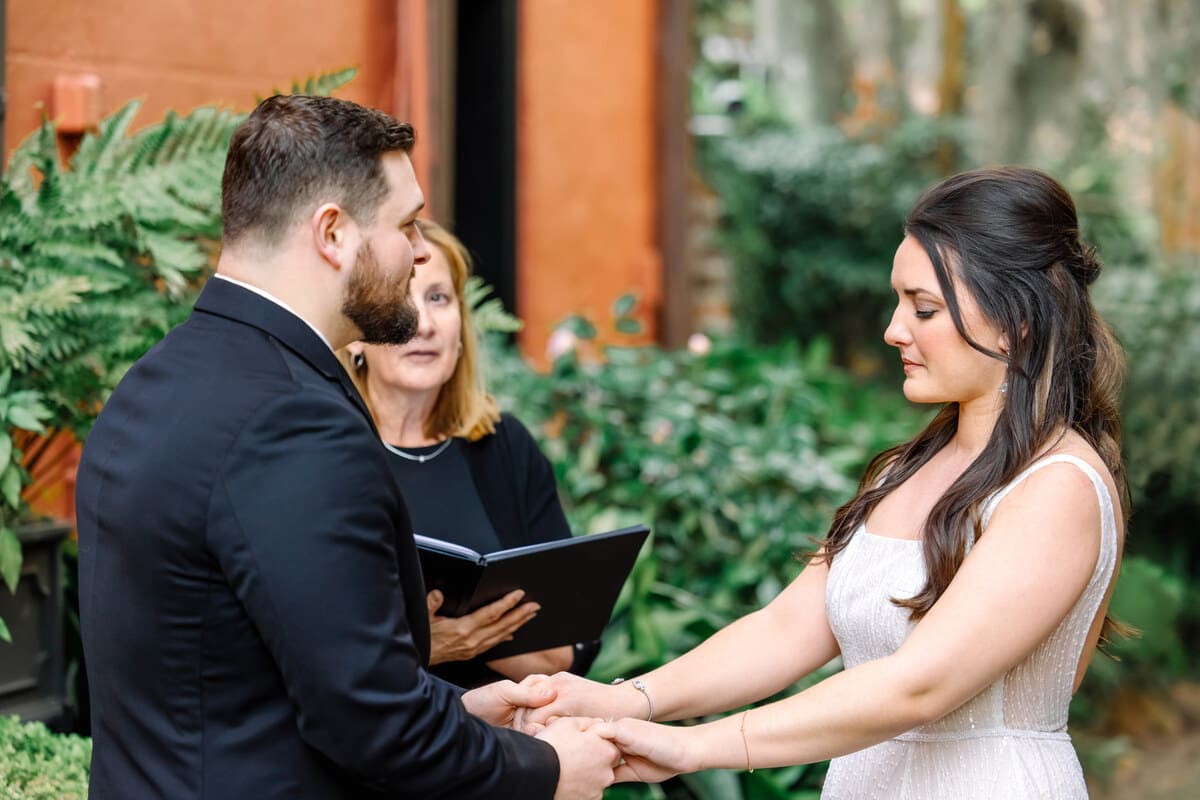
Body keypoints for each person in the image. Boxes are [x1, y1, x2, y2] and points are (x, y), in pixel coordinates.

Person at [73, 94, 619, 800]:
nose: (421, 251)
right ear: (332, 233)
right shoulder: (295, 421)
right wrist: (545, 770)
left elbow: (246, 684)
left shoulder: (156, 380)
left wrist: (459, 712)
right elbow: (368, 722)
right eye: (407, 224)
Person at [525, 166, 1128, 799]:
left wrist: (694, 746)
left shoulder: (1058, 487)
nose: (894, 330)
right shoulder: (907, 469)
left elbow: (919, 685)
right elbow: (786, 628)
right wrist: (628, 701)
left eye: (923, 307)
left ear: (1017, 320)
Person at [337, 219, 599, 690]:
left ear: (461, 327)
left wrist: (454, 639)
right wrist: (431, 643)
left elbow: (563, 655)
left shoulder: (505, 447)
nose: (424, 323)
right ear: (354, 333)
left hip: (510, 738)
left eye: (439, 297)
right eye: (400, 298)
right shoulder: (326, 452)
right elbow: (314, 649)